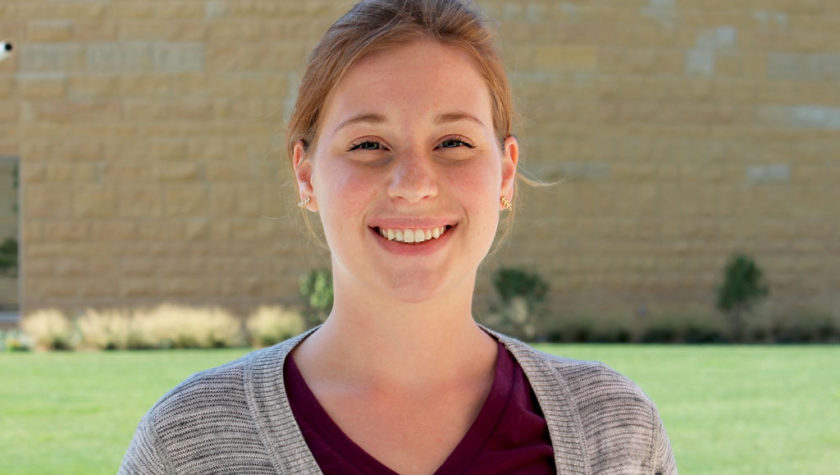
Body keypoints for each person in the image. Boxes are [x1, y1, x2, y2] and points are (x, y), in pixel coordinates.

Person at [119, 0, 677, 473]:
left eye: (453, 143)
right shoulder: (188, 446)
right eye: (368, 145)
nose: (413, 184)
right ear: (306, 174)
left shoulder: (615, 433)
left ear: (505, 172)